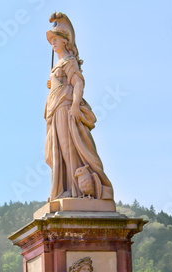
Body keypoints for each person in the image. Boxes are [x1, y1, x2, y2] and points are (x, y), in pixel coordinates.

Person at [45, 13, 114, 202]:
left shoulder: (69, 61)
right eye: (52, 40)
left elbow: (78, 84)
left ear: (65, 42)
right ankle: (64, 188)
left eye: (56, 39)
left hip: (65, 107)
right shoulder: (59, 64)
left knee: (69, 148)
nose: (53, 43)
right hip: (54, 109)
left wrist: (75, 106)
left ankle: (75, 189)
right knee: (56, 152)